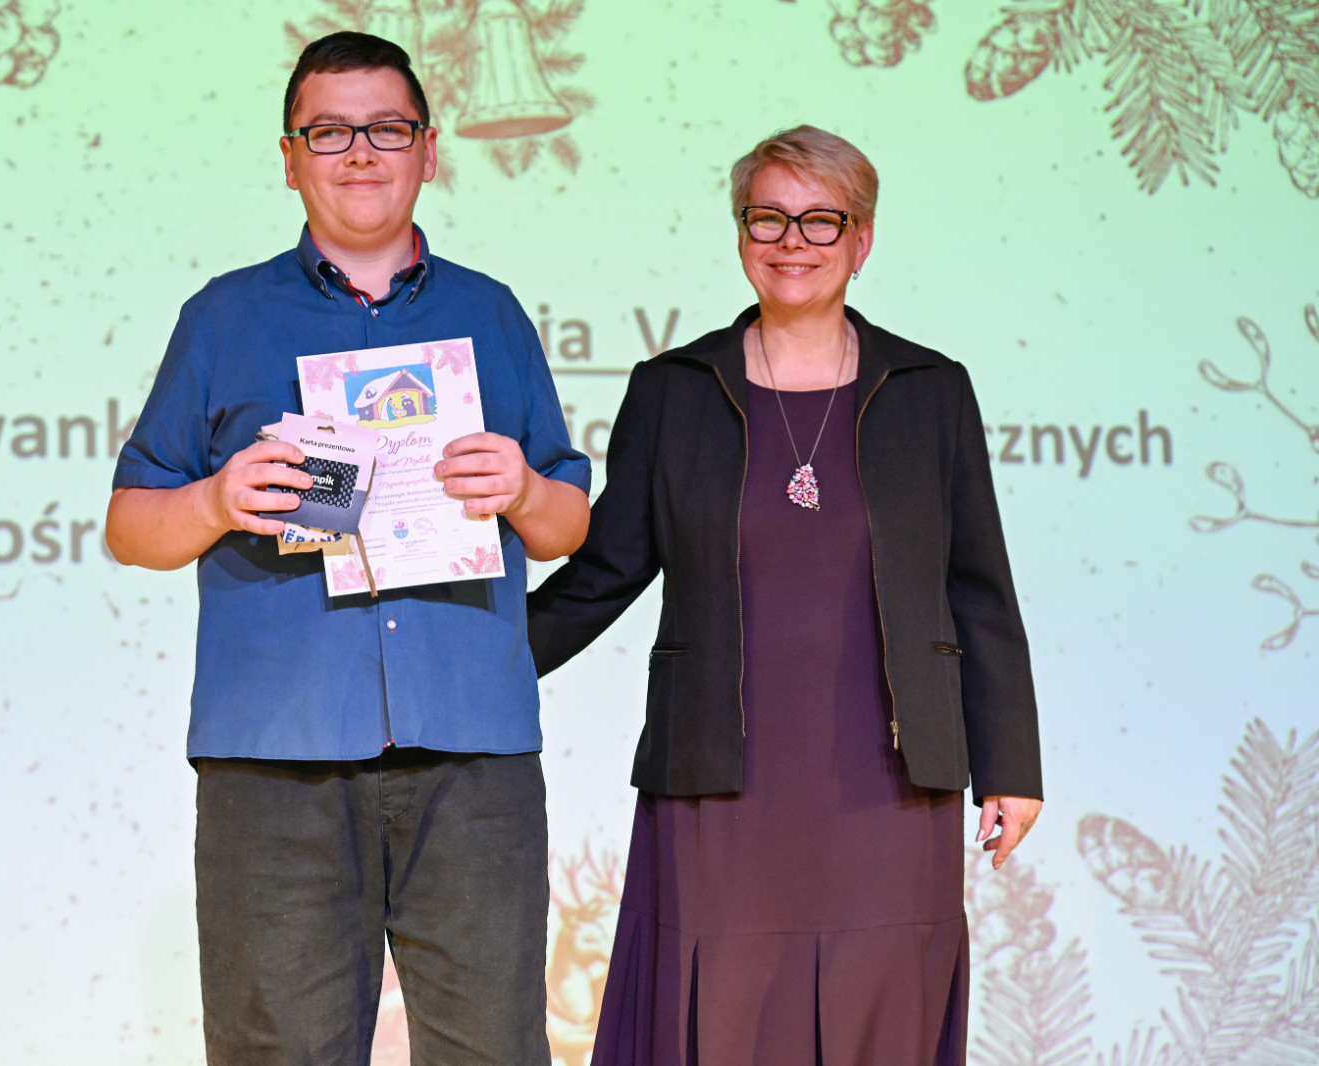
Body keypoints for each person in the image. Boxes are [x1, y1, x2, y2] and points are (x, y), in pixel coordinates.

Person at [105, 32, 590, 1066]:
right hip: (276, 763)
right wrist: (217, 498)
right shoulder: (223, 316)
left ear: (429, 150)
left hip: (471, 755)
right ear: (289, 159)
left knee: (493, 1051)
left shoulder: (491, 312)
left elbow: (565, 525)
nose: (360, 152)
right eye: (328, 132)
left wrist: (523, 488)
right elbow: (131, 525)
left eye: (387, 129)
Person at [527, 125, 1043, 1065]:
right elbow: (605, 573)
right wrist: (468, 660)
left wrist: (1010, 761)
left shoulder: (931, 390)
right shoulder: (673, 389)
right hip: (717, 778)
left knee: (880, 1017)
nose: (791, 241)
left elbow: (978, 587)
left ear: (862, 239)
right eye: (767, 218)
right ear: (741, 233)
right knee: (719, 1016)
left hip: (893, 785)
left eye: (820, 220)